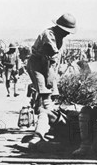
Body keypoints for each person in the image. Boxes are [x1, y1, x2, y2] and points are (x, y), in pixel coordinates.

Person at [27, 13, 76, 145]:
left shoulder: (60, 38)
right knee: (45, 94)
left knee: (53, 94)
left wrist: (54, 75)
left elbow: (55, 61)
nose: (67, 34)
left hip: (50, 67)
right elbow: (49, 55)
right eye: (66, 31)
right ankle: (42, 129)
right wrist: (49, 75)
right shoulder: (49, 34)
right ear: (59, 27)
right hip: (39, 64)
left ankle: (48, 120)